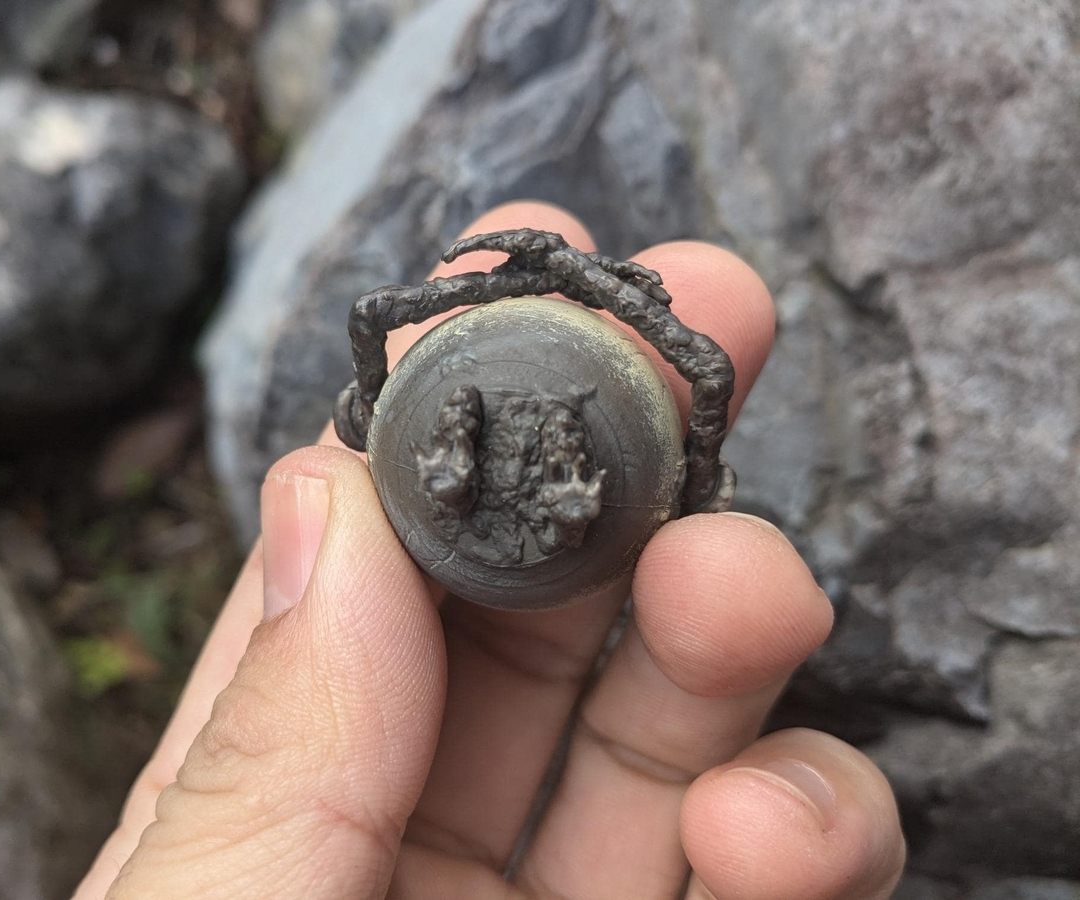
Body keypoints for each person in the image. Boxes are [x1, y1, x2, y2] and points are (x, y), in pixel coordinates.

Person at [73, 202, 906, 900]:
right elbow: (705, 372)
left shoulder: (538, 465)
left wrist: (563, 292)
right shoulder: (450, 458)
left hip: (564, 468)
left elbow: (708, 372)